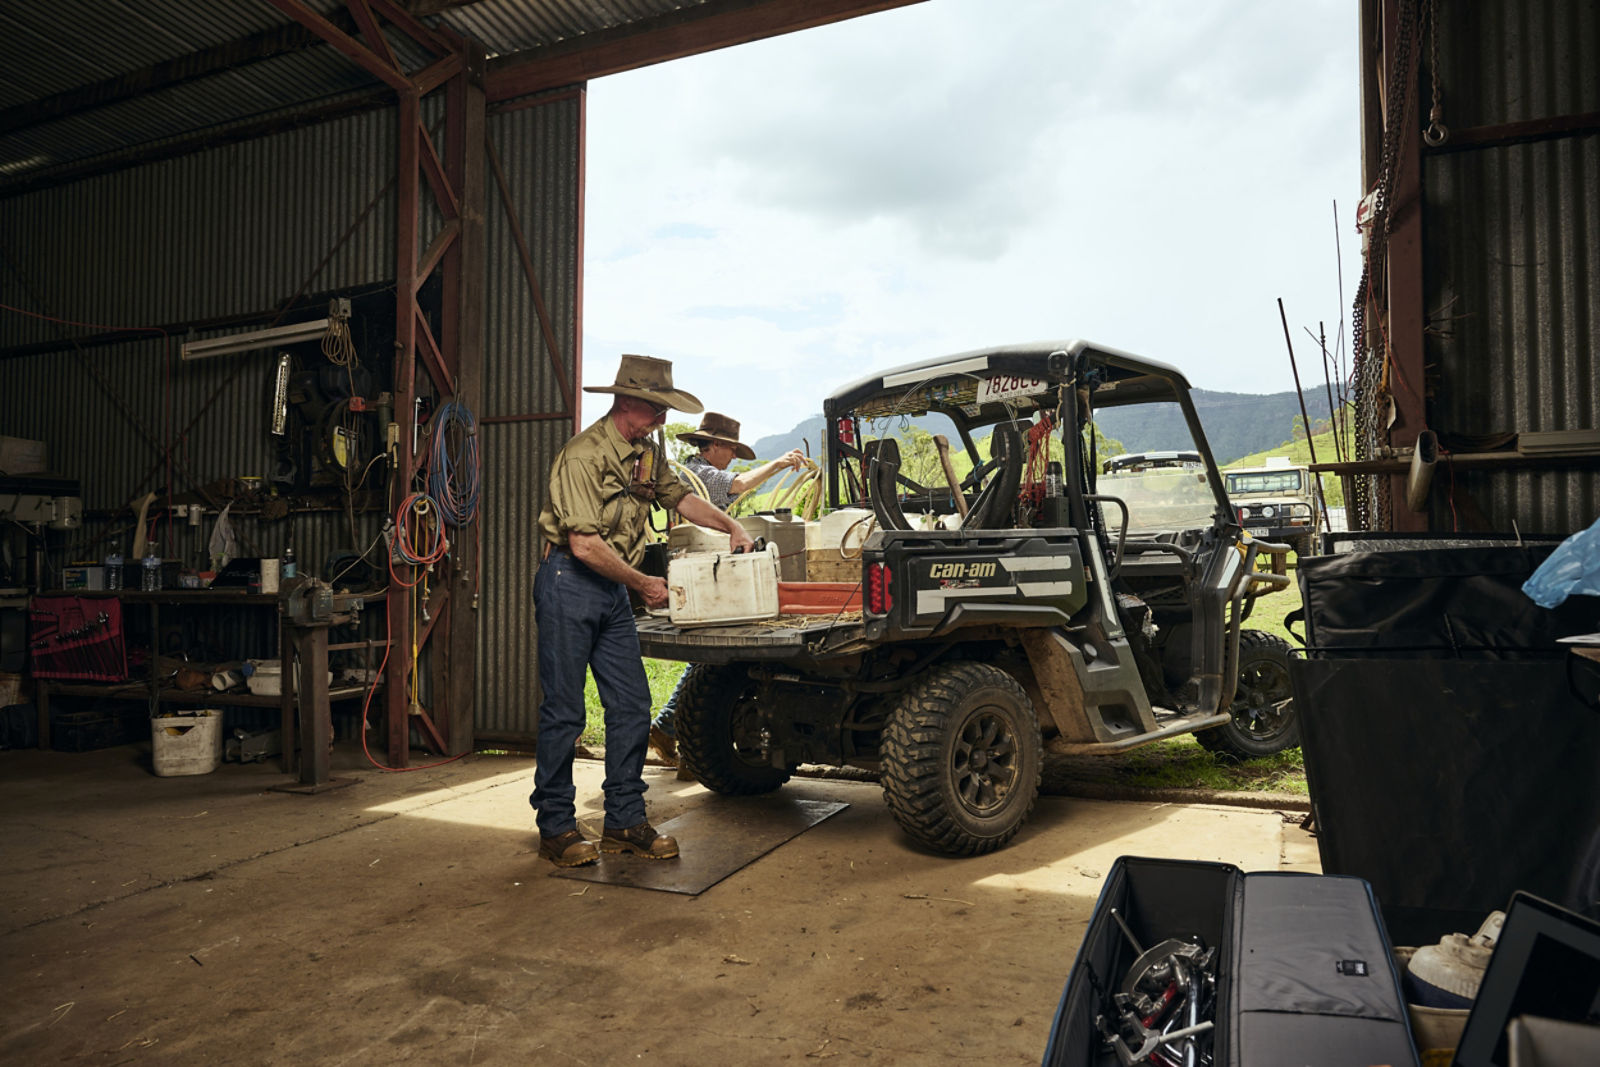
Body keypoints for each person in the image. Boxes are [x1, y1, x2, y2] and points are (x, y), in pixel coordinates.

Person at [532, 354, 754, 868]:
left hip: (611, 592)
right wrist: (642, 583)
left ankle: (625, 821)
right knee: (564, 711)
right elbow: (584, 544)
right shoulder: (583, 456)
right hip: (570, 582)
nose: (663, 420)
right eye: (657, 409)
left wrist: (731, 526)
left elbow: (679, 498)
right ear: (629, 402)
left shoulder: (646, 450)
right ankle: (556, 826)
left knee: (631, 705)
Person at [648, 412, 805, 766]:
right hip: (702, 572)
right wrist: (778, 463)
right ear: (714, 445)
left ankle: (676, 732)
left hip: (705, 569)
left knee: (709, 657)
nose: (733, 456)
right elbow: (738, 484)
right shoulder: (701, 474)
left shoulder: (697, 475)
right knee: (709, 656)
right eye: (730, 449)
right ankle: (677, 733)